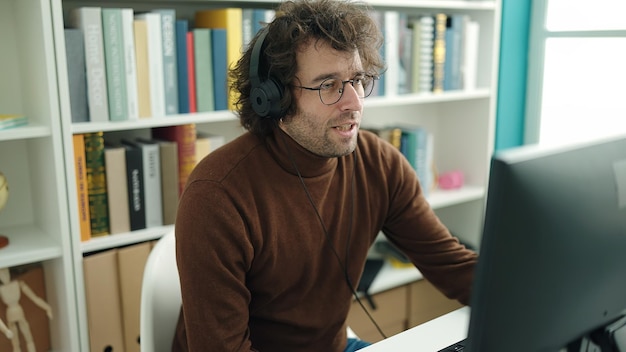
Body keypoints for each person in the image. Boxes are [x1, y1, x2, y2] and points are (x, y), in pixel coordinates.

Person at [173, 0, 478, 351]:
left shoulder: (381, 163)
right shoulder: (217, 196)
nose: (354, 102)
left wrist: (536, 295)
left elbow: (452, 266)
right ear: (276, 99)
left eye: (358, 80)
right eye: (329, 85)